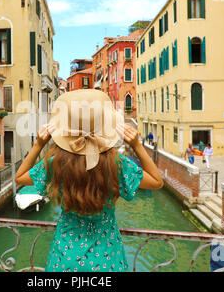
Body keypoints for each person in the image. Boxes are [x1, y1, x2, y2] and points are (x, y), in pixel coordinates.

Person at [15, 90, 163, 272]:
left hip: (64, 257)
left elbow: (20, 177)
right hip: (109, 258)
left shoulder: (56, 163)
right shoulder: (117, 163)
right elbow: (157, 182)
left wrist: (39, 144)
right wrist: (137, 145)